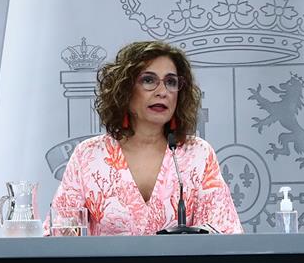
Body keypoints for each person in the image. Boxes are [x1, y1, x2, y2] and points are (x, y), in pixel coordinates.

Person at [48, 40, 243, 235]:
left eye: (171, 82)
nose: (162, 92)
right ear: (125, 89)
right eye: (149, 80)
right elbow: (58, 236)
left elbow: (225, 233)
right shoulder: (89, 155)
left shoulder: (197, 153)